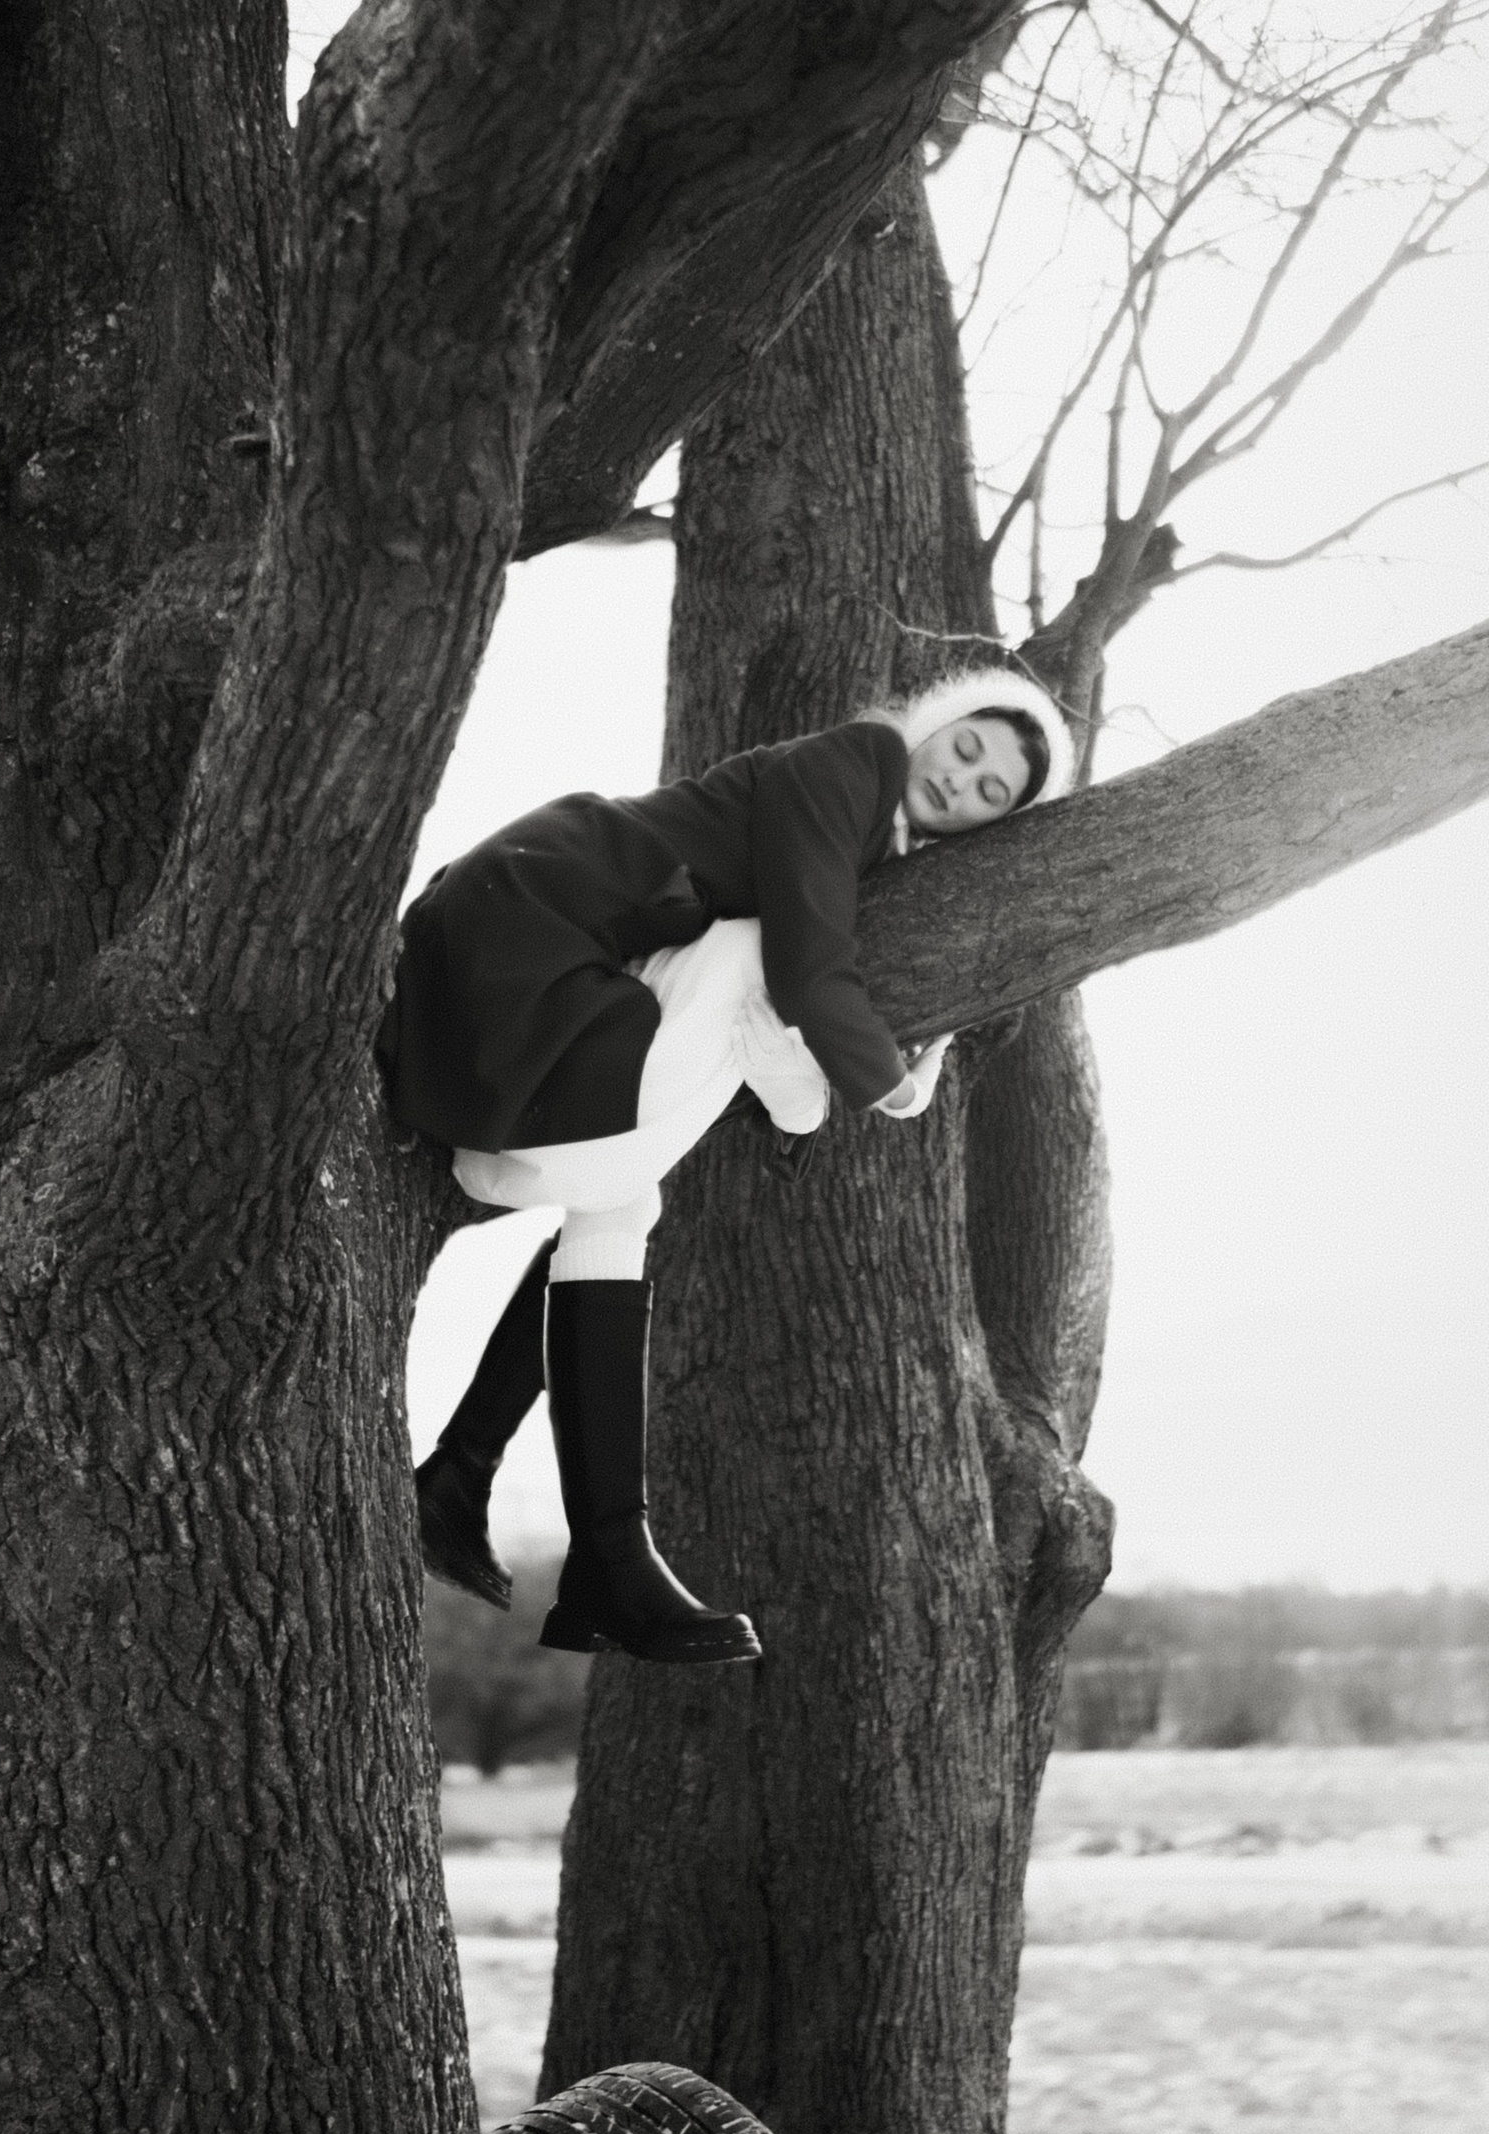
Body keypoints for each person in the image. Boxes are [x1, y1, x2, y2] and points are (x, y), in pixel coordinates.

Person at [379, 666, 1074, 1667]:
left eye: (988, 792)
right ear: (935, 725)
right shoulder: (859, 760)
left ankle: (518, 1506)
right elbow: (805, 971)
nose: (959, 781)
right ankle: (561, 1531)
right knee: (730, 993)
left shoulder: (877, 840)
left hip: (568, 960)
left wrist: (816, 1089)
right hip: (524, 923)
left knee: (622, 1214)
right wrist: (895, 1090)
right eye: (964, 748)